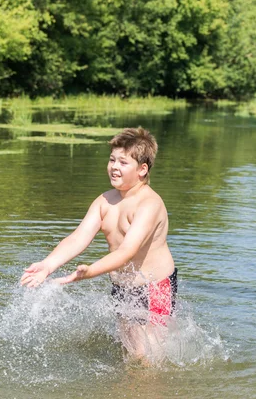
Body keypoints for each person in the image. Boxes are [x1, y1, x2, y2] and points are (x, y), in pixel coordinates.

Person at [20, 127, 177, 364]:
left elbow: (127, 251)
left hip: (155, 287)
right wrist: (47, 265)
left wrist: (90, 272)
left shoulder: (149, 204)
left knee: (150, 360)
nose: (114, 166)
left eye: (123, 162)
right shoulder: (105, 201)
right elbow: (78, 238)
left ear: (142, 169)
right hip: (123, 287)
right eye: (112, 159)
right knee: (131, 355)